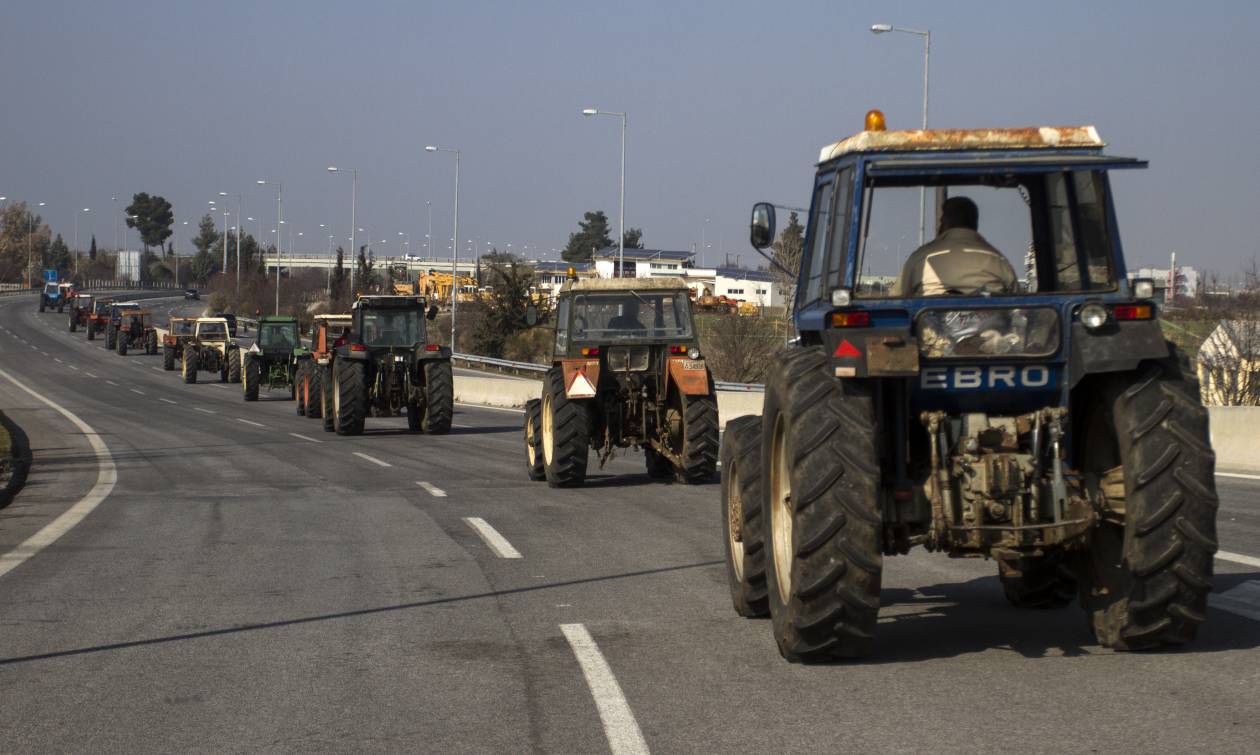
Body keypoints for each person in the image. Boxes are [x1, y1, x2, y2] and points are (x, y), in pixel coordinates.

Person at [895, 196, 1018, 297]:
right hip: (990, 326)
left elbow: (897, 298)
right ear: (975, 223)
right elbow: (1017, 305)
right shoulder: (999, 261)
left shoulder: (920, 257)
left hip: (930, 326)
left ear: (944, 222)